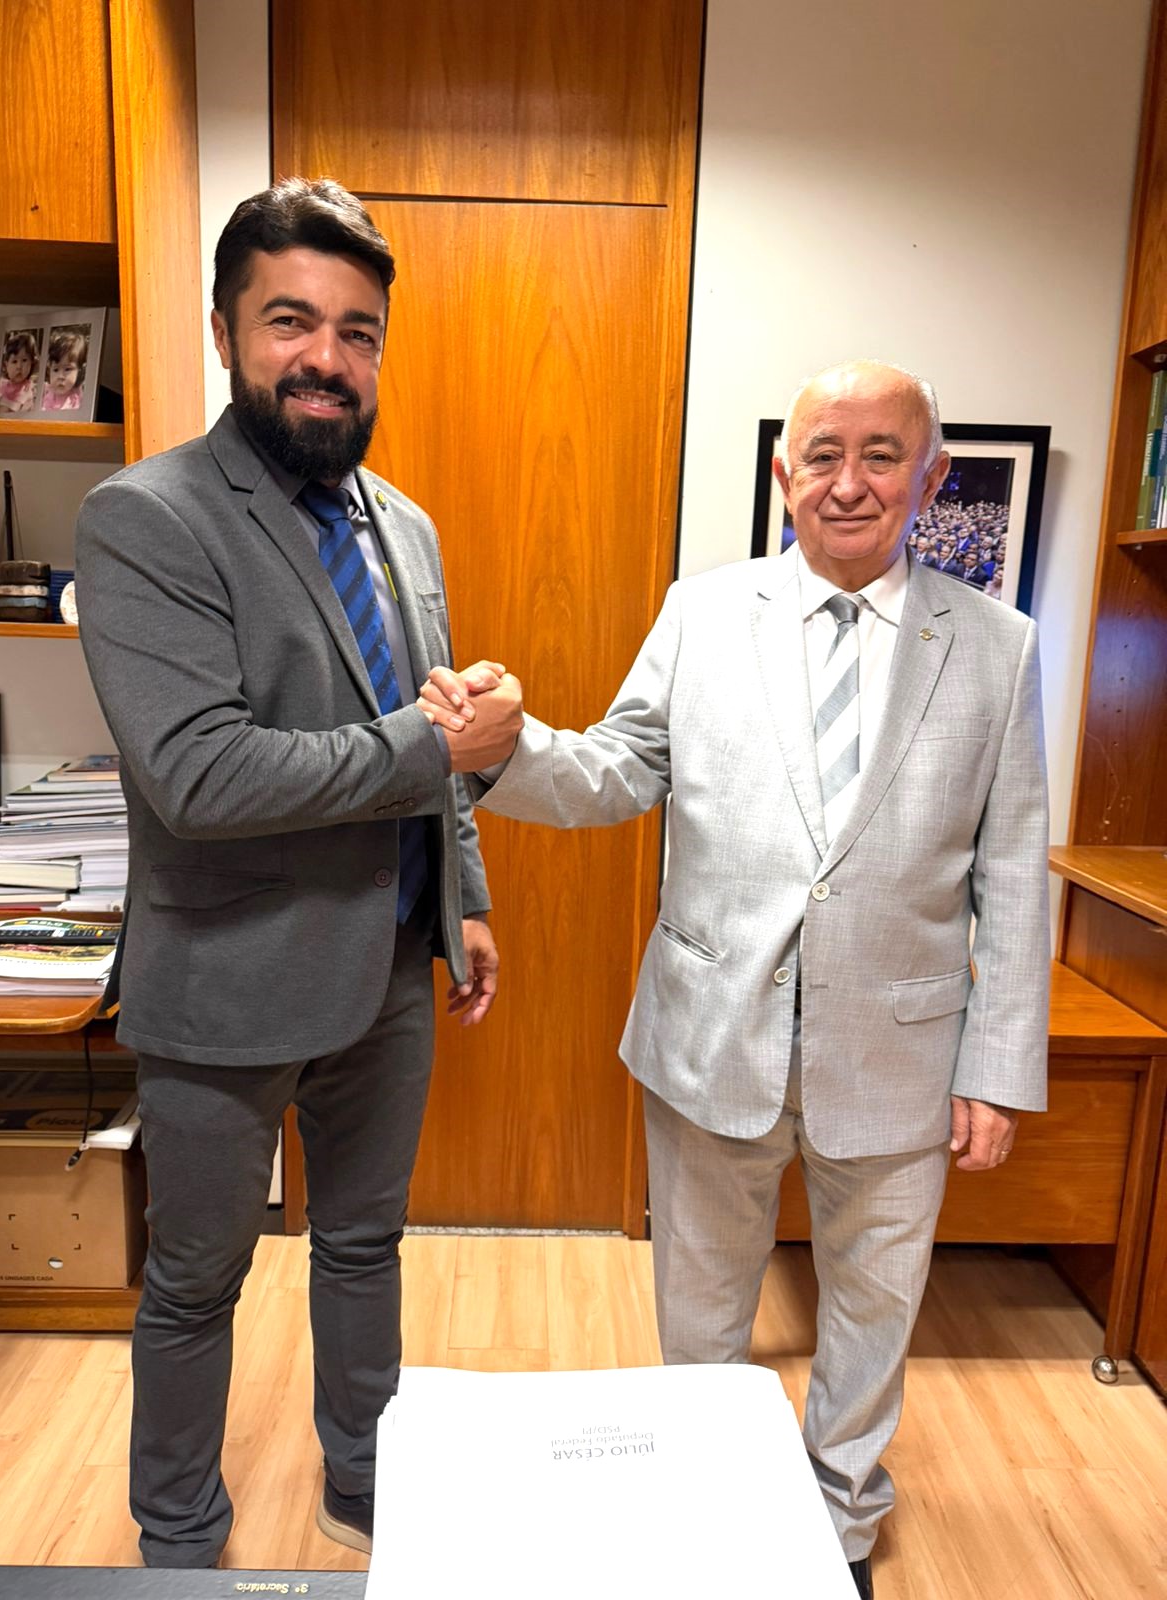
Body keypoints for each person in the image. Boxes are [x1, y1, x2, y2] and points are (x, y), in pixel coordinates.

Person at [418, 360, 1050, 1599]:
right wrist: (507, 748)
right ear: (783, 474)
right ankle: (704, 1511)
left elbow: (1015, 868)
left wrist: (998, 1066)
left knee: (873, 1312)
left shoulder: (999, 646)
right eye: (824, 454)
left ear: (930, 478)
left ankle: (841, 1521)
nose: (850, 481)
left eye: (882, 455)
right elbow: (616, 768)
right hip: (712, 1034)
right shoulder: (702, 613)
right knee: (701, 1312)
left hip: (901, 1051)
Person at [75, 177, 512, 1571]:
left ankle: (368, 1487)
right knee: (195, 1279)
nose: (328, 356)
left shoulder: (407, 525)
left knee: (365, 1244)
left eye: (358, 331)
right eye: (290, 321)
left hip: (391, 965)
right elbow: (199, 775)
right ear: (226, 332)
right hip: (226, 976)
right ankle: (179, 1533)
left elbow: (433, 728)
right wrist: (434, 748)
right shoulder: (146, 517)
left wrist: (466, 893)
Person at [41, 325, 88, 410]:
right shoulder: (45, 393)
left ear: (79, 370)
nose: (60, 376)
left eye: (67, 369)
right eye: (56, 370)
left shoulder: (80, 398)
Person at [0, 328, 39, 413]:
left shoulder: (31, 391)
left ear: (32, 362)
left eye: (24, 360)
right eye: (14, 361)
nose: (19, 366)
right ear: (6, 365)